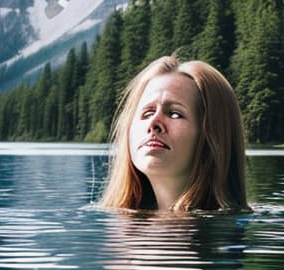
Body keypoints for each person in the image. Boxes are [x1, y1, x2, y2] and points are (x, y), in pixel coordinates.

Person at [100, 55, 249, 211]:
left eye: (174, 114)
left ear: (213, 136)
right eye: (148, 113)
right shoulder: (121, 223)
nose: (153, 123)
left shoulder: (222, 231)